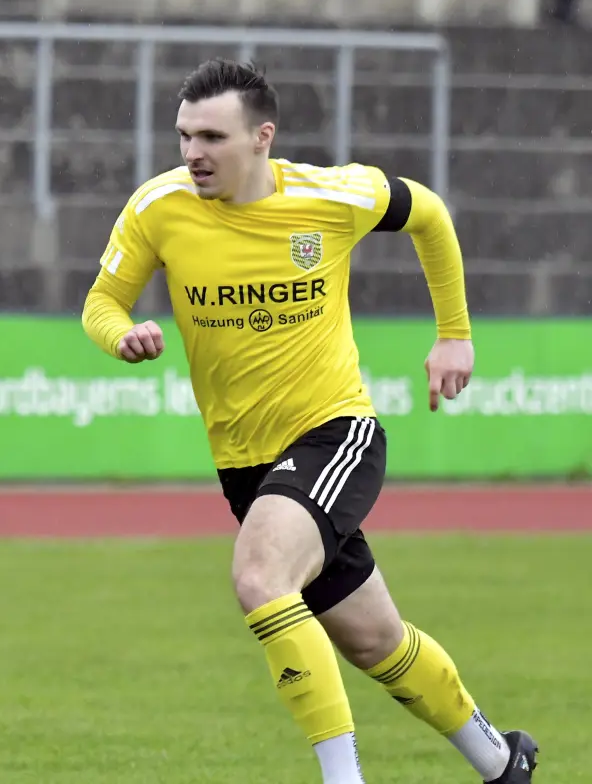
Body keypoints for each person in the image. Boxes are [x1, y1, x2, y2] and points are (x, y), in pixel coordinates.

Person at [81, 59, 538, 784]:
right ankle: (499, 758)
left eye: (211, 137)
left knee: (261, 577)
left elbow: (428, 213)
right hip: (244, 463)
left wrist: (455, 332)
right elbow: (101, 302)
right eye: (183, 135)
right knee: (376, 641)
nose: (192, 153)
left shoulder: (333, 194)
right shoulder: (156, 208)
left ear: (263, 137)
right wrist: (121, 335)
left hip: (335, 433)